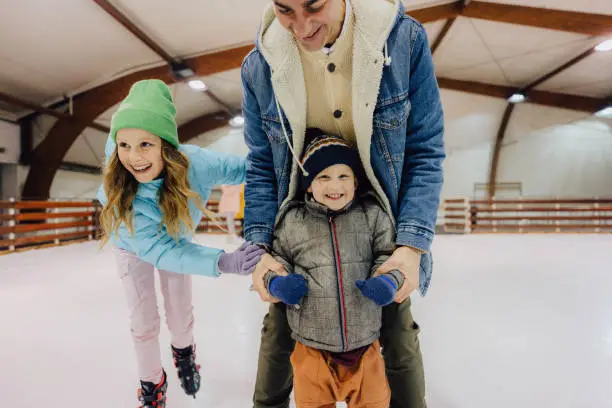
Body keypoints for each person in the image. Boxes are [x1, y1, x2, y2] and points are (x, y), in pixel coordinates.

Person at [240, 0, 445, 406]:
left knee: (399, 340)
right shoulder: (259, 67)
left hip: (382, 224)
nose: (301, 27)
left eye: (314, 6)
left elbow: (424, 149)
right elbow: (262, 163)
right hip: (299, 227)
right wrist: (258, 250)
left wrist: (410, 246)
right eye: (285, 10)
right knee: (278, 338)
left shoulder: (402, 41)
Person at [96, 79, 264, 408]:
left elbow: (248, 169)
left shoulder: (196, 164)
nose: (133, 157)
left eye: (146, 145)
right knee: (143, 320)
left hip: (176, 236)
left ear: (166, 146)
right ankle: (151, 383)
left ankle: (184, 352)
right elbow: (159, 252)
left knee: (179, 312)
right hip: (130, 244)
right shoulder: (122, 186)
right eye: (124, 145)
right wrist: (222, 261)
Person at [264, 133, 405, 407]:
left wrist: (388, 281)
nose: (335, 185)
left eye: (343, 176)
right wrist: (278, 284)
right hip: (311, 347)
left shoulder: (372, 215)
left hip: (366, 345)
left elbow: (389, 256)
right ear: (308, 185)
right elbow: (273, 262)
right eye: (323, 177)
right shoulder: (293, 221)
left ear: (355, 181)